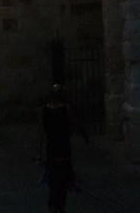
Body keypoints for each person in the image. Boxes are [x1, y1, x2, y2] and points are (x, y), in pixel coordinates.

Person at [37, 85, 87, 213]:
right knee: (63, 180)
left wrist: (39, 152)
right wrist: (83, 134)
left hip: (52, 149)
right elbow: (74, 123)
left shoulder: (44, 110)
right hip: (63, 148)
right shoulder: (66, 109)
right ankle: (59, 206)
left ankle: (53, 205)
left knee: (54, 180)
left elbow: (41, 132)